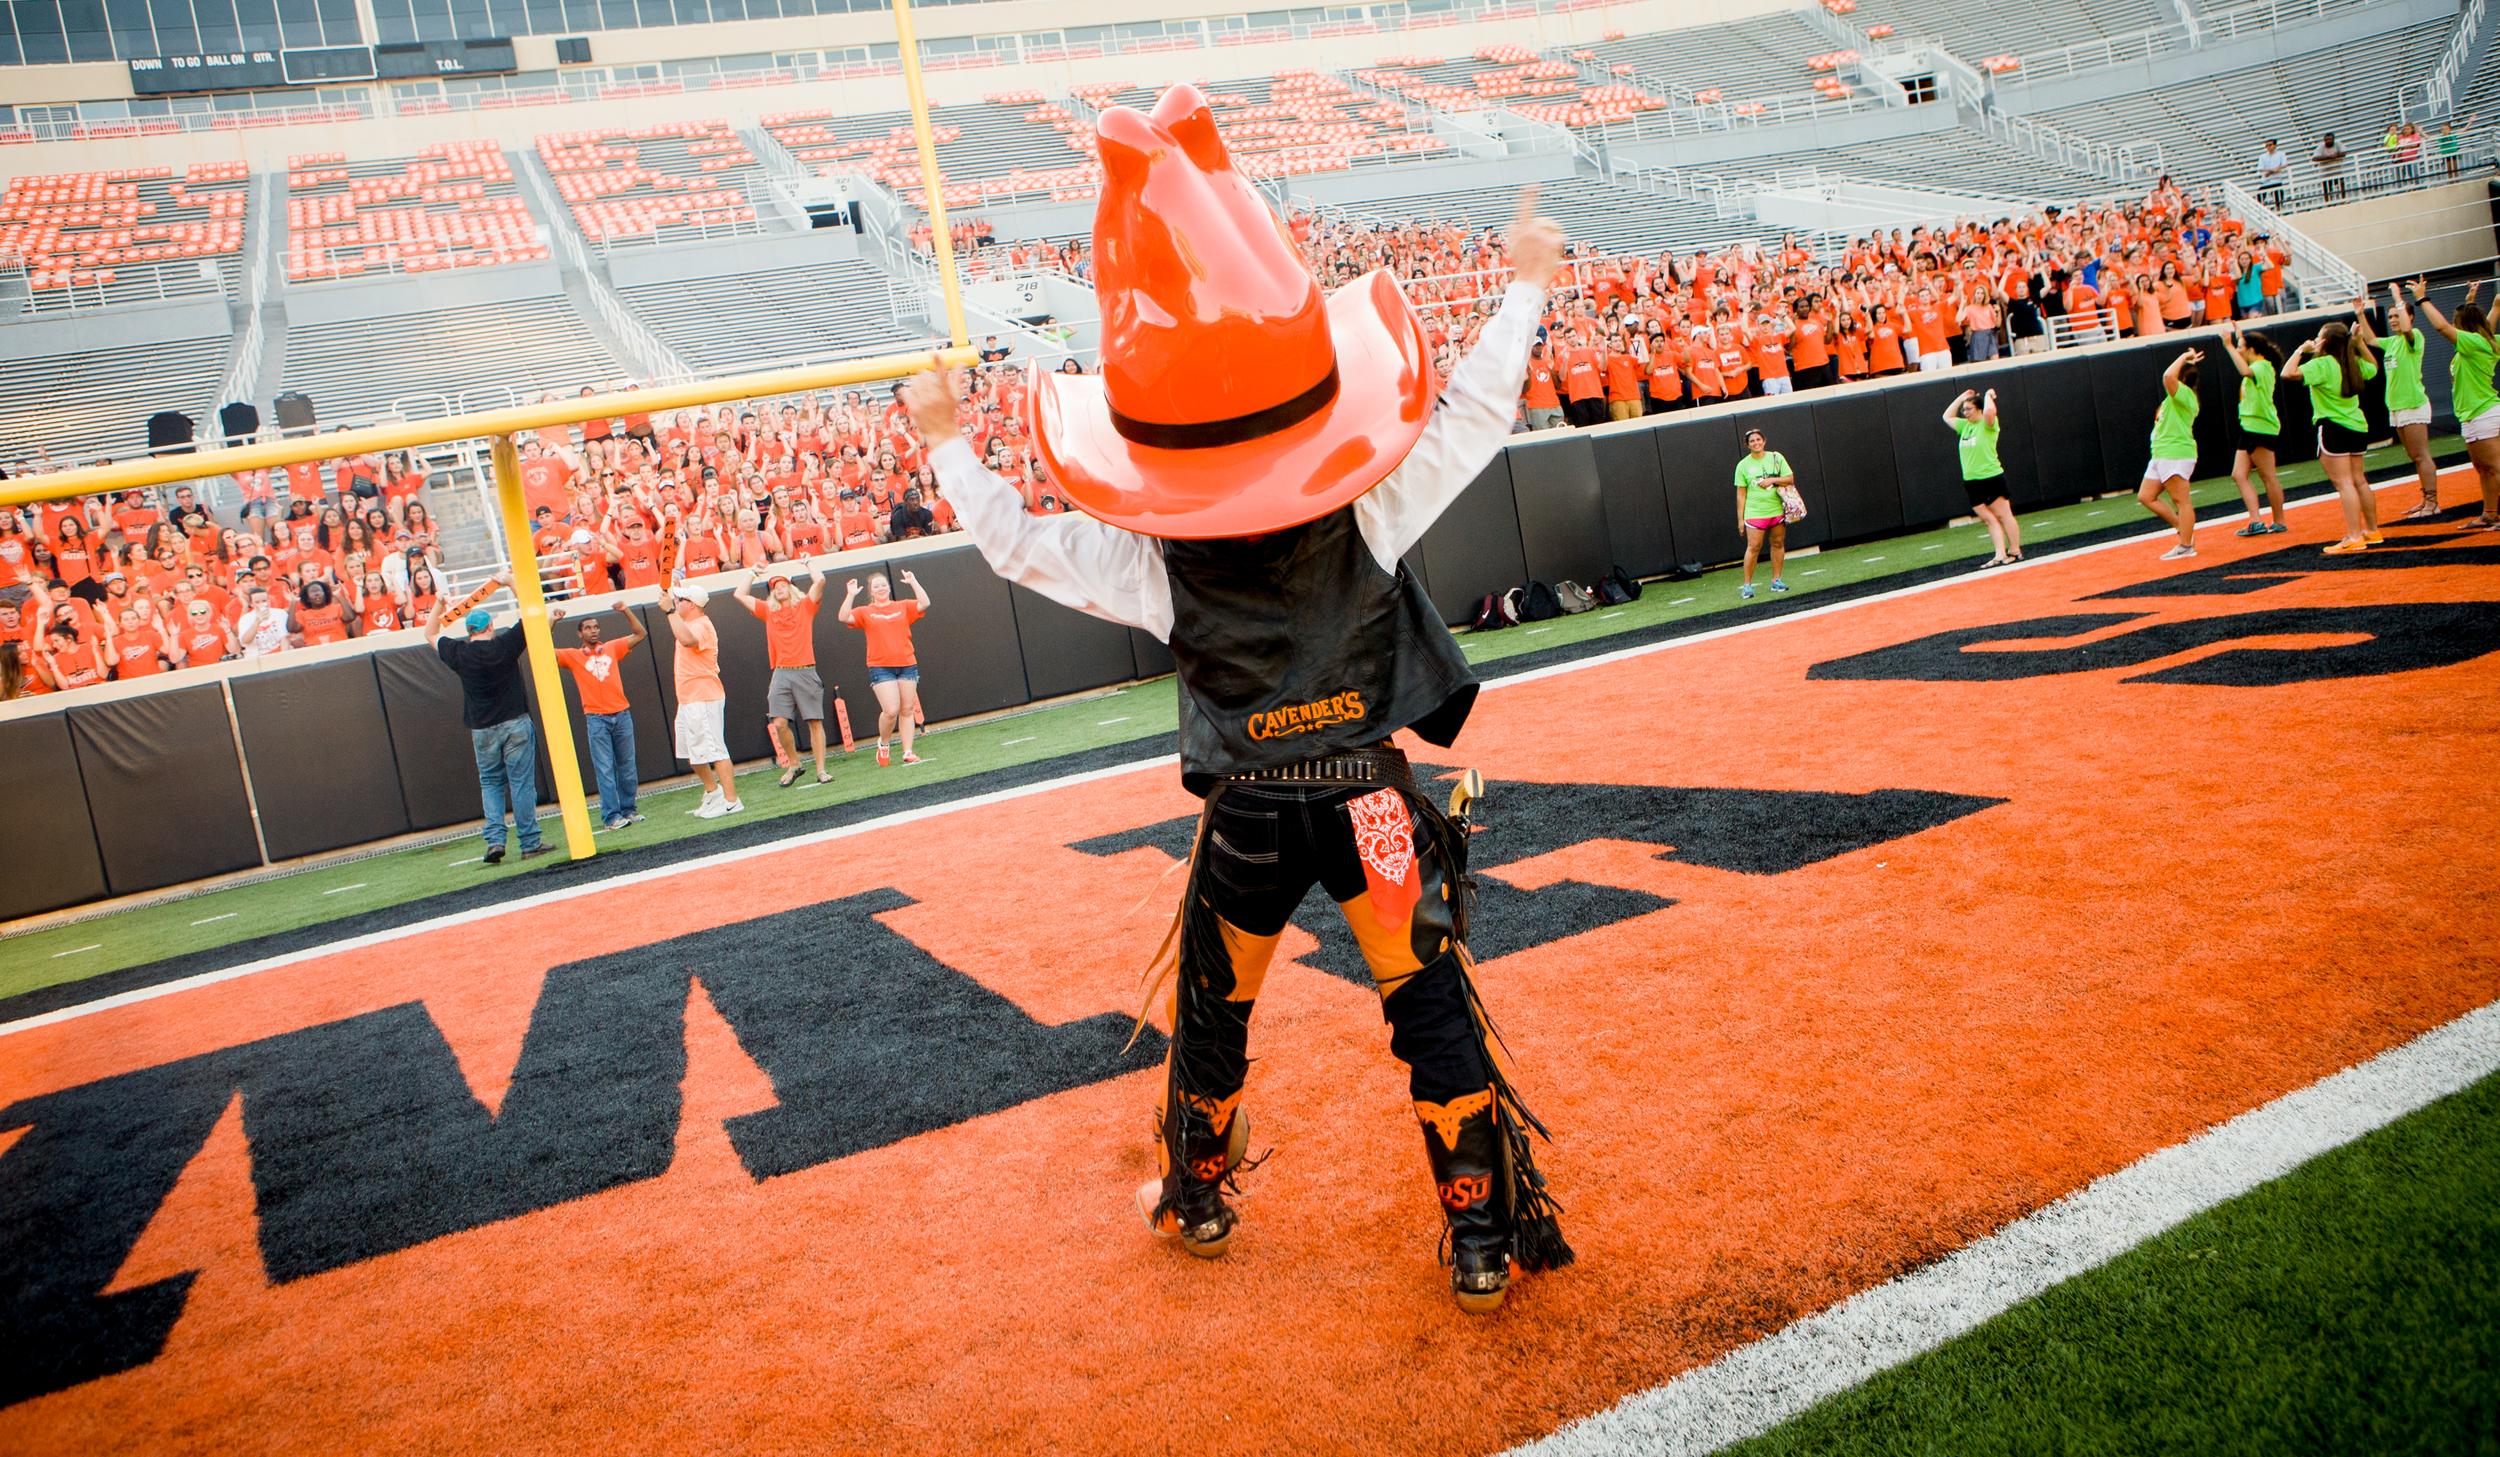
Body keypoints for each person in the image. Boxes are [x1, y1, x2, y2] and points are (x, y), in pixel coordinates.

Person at [905, 88, 1571, 1313]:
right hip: (1371, 802)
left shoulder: (1155, 561)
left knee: (1215, 1016)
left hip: (1252, 820)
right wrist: (1523, 286)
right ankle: (1479, 1235)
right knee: (1425, 1001)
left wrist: (947, 437)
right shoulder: (1369, 509)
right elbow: (1474, 414)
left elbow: (1013, 544)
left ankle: (1199, 1194)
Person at [425, 572, 547, 866]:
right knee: (521, 784)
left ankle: (495, 840)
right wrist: (511, 583)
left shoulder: (459, 652)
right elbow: (534, 611)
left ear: (468, 630)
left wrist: (439, 605)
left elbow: (430, 633)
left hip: (482, 727)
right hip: (515, 721)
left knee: (491, 783)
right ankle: (530, 842)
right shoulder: (506, 645)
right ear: (491, 626)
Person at [551, 602, 649, 831]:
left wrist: (625, 610)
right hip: (596, 718)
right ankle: (611, 816)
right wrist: (552, 621)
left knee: (627, 766)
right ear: (580, 633)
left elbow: (641, 633)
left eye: (596, 627)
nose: (593, 630)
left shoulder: (613, 647)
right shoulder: (573, 656)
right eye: (588, 628)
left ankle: (628, 809)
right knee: (604, 768)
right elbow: (542, 649)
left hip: (621, 713)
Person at [2287, 320, 2381, 553]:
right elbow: (2374, 367)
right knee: (2359, 480)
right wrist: (2358, 343)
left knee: (2344, 484)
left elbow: (2288, 373)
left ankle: (2354, 535)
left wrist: (2301, 350)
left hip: (2333, 428)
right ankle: (2372, 530)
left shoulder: (2323, 364)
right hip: (2357, 426)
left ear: (2325, 342)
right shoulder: (2352, 361)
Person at [736, 565, 833, 788]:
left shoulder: (806, 607)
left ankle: (821, 770)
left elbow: (820, 582)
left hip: (806, 670)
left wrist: (810, 564)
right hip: (781, 672)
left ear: (791, 588)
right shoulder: (768, 611)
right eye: (774, 587)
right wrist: (752, 572)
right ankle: (794, 764)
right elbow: (739, 594)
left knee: (814, 722)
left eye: (782, 585)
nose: (778, 589)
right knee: (779, 723)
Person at [2416, 280, 2500, 529]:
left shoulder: (2475, 344)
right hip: (2473, 414)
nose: (2454, 326)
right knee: (2483, 468)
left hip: (2483, 412)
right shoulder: (2482, 341)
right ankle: (2490, 513)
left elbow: (2441, 326)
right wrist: (2471, 298)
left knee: (2494, 467)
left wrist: (2422, 299)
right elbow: (2491, 315)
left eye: (2458, 322)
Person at [656, 580, 743, 818]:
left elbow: (687, 639)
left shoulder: (702, 625)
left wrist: (670, 612)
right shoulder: (689, 621)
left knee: (716, 750)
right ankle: (712, 792)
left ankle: (731, 800)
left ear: (692, 605)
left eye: (681, 599)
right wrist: (676, 595)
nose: (676, 602)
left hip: (703, 697)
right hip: (688, 699)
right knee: (692, 754)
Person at [840, 569, 930, 767]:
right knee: (891, 710)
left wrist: (913, 581)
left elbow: (924, 603)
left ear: (889, 587)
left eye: (883, 584)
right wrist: (851, 594)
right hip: (881, 666)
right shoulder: (865, 611)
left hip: (907, 663)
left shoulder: (902, 606)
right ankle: (884, 742)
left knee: (907, 710)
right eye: (876, 586)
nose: (880, 588)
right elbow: (843, 617)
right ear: (871, 591)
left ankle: (908, 751)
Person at [2217, 320, 2290, 536]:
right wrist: (2240, 334)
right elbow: (2246, 361)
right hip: (2248, 426)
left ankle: (2279, 520)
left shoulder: (2262, 366)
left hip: (2261, 427)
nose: (2239, 349)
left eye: (2242, 346)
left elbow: (2245, 370)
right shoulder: (2259, 363)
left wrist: (2229, 345)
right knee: (2238, 474)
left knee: (2268, 476)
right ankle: (2256, 521)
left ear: (2251, 350)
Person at [2380, 282, 2442, 520]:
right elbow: (2370, 340)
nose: (2393, 320)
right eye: (2391, 317)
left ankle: (2433, 501)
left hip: (2412, 403)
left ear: (2410, 317)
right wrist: (2358, 314)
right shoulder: (2392, 341)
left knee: (2422, 455)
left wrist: (2397, 296)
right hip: (2397, 406)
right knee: (2414, 456)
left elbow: (2406, 329)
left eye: (2397, 315)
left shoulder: (2413, 335)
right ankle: (2425, 498)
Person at [2138, 347, 2204, 560]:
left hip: (2175, 453)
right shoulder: (2174, 399)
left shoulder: (2184, 394)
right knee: (2146, 496)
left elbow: (2168, 376)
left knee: (2181, 500)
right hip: (2161, 453)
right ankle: (2182, 528)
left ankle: (2186, 545)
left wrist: (2184, 357)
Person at [1944, 389, 2021, 565]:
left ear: (1978, 409)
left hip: (1991, 476)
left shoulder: (1987, 424)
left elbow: (1989, 412)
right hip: (1971, 481)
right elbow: (1946, 417)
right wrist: (1961, 398)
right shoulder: (1965, 426)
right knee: (1989, 519)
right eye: (1965, 410)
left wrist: (1987, 396)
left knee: (2004, 515)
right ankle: (1999, 554)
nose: (1965, 412)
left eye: (1969, 409)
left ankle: (2015, 551)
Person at [1734, 427, 1793, 600]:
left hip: (1776, 509)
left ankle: (1776, 580)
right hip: (1755, 512)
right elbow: (1741, 493)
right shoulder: (1743, 465)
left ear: (1764, 441)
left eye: (1758, 440)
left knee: (1777, 543)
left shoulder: (1776, 457)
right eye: (1752, 441)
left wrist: (1772, 480)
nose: (1756, 443)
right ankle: (1747, 586)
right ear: (1747, 445)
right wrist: (1740, 518)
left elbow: (1790, 478)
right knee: (1754, 547)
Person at [2314, 132, 2348, 202]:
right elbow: (2315, 158)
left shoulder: (2338, 144)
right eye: (2326, 140)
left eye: (2330, 139)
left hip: (2337, 171)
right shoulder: (2321, 147)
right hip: (2326, 173)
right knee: (2326, 189)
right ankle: (2328, 202)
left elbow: (2344, 153)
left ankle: (2343, 200)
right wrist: (2328, 157)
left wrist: (2336, 155)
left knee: (2341, 185)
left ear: (2333, 139)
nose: (2328, 141)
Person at [2256, 138, 2290, 206]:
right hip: (2266, 181)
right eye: (2267, 145)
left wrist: (2270, 172)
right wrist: (2273, 170)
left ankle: (2279, 210)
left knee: (2278, 198)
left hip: (2276, 180)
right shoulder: (2263, 156)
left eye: (2270, 145)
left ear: (2275, 145)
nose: (2268, 147)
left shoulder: (2280, 154)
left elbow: (2284, 164)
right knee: (2259, 197)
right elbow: (2260, 168)